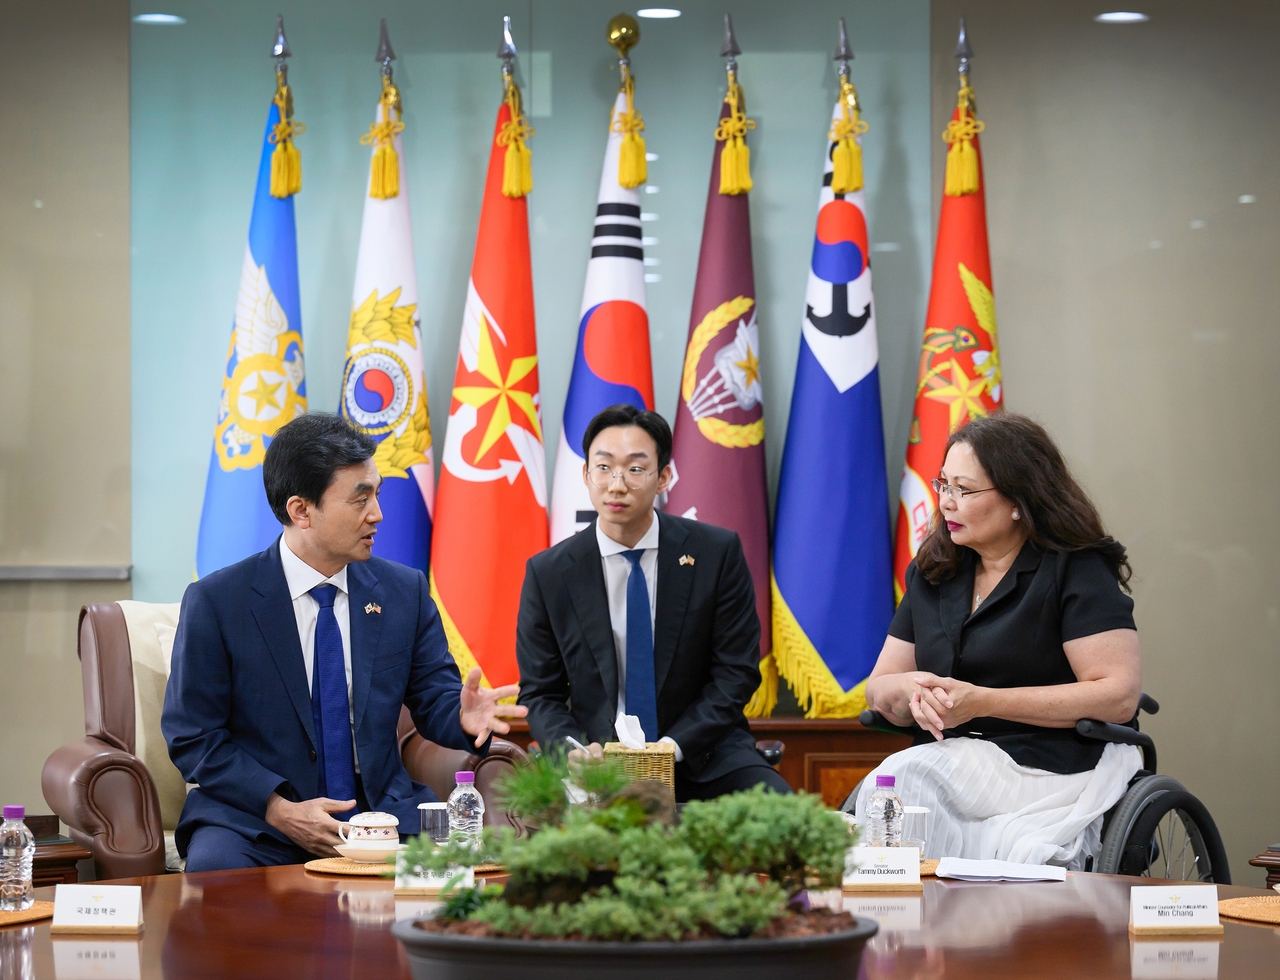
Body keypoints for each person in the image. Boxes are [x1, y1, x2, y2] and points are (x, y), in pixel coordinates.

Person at [161, 414, 525, 872]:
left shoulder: (402, 592)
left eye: (377, 494)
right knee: (216, 877)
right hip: (256, 818)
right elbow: (193, 736)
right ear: (301, 511)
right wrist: (279, 808)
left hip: (380, 814)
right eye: (360, 499)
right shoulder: (218, 602)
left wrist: (463, 716)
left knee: (472, 879)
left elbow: (434, 699)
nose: (377, 514)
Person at [856, 413, 1143, 868]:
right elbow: (878, 688)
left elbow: (1118, 696)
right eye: (943, 486)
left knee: (904, 778)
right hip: (950, 762)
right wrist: (908, 690)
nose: (946, 503)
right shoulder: (933, 571)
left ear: (1018, 500)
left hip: (1049, 765)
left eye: (964, 491)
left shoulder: (1076, 568)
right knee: (894, 792)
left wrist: (984, 702)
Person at [516, 404, 790, 801]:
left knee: (789, 823)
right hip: (600, 765)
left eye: (636, 468)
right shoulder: (551, 573)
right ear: (586, 475)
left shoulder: (715, 553)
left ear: (663, 478)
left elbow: (737, 673)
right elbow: (540, 693)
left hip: (703, 754)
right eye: (604, 467)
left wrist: (670, 749)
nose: (617, 484)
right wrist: (573, 751)